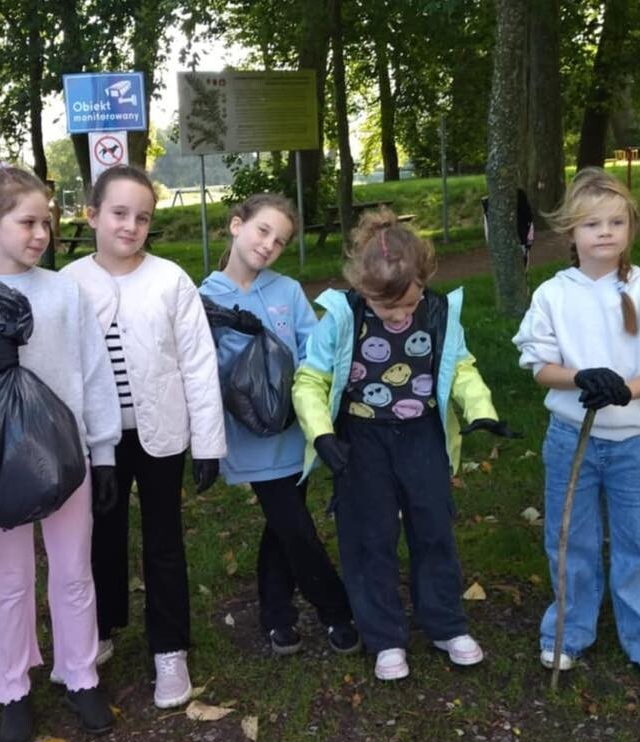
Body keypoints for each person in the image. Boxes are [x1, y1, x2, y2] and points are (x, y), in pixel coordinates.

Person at [0, 162, 123, 742]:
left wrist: (104, 452)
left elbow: (93, 374)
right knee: (11, 578)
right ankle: (10, 687)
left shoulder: (65, 292)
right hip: (0, 464)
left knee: (73, 571)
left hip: (65, 457)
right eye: (28, 223)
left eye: (47, 223)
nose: (41, 234)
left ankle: (80, 673)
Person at [293, 210, 517, 681]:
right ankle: (385, 637)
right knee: (369, 537)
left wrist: (481, 409)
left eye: (407, 304)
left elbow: (460, 367)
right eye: (384, 307)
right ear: (361, 288)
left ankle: (446, 624)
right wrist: (323, 434)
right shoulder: (342, 317)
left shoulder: (438, 313)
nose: (398, 316)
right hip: (362, 440)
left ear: (424, 280)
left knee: (434, 529)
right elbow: (311, 379)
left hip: (421, 436)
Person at [512, 168, 640, 685]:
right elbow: (539, 364)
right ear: (572, 232)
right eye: (592, 224)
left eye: (616, 222)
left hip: (636, 441)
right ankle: (567, 632)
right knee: (570, 538)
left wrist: (628, 389)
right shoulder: (553, 294)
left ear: (630, 228)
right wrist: (579, 377)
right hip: (571, 439)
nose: (605, 232)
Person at [60, 165, 226, 709]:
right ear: (91, 215)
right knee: (99, 536)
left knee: (163, 541)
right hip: (96, 442)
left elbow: (198, 363)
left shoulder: (170, 280)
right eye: (119, 213)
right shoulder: (69, 284)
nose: (130, 226)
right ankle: (101, 627)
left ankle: (170, 648)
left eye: (143, 217)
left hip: (162, 435)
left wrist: (208, 443)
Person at [198, 193, 360, 657]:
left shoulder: (287, 291)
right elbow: (199, 371)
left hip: (294, 430)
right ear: (237, 225)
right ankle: (336, 609)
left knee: (283, 526)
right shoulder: (202, 298)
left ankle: (277, 617)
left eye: (281, 241)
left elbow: (312, 349)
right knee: (294, 525)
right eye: (262, 230)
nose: (268, 245)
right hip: (249, 434)